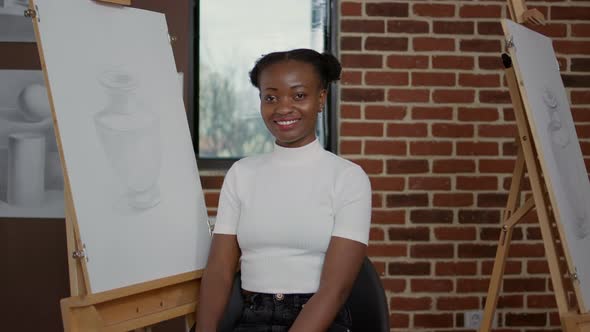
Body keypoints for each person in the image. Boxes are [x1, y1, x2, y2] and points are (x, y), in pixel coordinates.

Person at [195, 48, 372, 332]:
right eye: (271, 97)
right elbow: (219, 272)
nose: (283, 107)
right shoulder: (241, 174)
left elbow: (334, 290)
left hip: (320, 321)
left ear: (321, 99)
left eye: (299, 95)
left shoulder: (348, 178)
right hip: (251, 318)